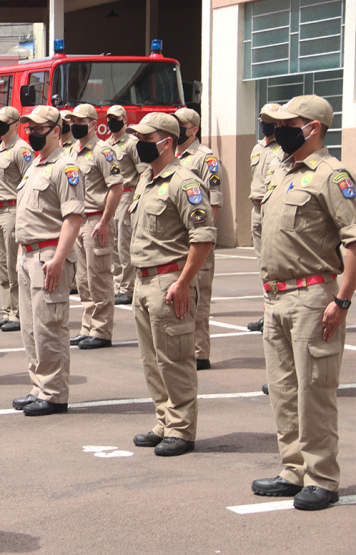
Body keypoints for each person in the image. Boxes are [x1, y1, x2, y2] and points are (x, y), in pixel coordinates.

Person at [250, 95, 354, 511]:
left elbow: (353, 240)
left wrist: (342, 300)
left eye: (288, 123)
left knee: (315, 391)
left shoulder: (333, 174)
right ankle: (293, 469)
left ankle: (322, 476)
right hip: (276, 297)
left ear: (312, 128)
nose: (278, 131)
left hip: (314, 297)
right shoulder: (282, 170)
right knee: (283, 389)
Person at [128, 112, 215, 457]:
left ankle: (181, 428)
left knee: (175, 360)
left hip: (169, 280)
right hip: (144, 280)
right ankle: (164, 419)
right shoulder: (146, 179)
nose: (140, 145)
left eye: (146, 139)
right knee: (152, 360)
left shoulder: (185, 182)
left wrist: (183, 282)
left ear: (166, 142)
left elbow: (203, 237)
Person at [12, 105, 84, 416]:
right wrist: (20, 254)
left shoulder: (65, 167)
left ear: (56, 131)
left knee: (49, 327)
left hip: (48, 256)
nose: (33, 133)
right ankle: (38, 385)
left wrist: (58, 259)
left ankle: (54, 393)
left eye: (40, 129)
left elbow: (73, 218)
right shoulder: (34, 166)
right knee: (30, 328)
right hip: (28, 255)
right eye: (30, 128)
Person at [174, 107, 227, 370]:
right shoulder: (173, 156)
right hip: (177, 242)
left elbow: (213, 203)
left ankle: (199, 353)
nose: (177, 128)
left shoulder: (205, 159)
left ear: (194, 128)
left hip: (197, 241)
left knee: (199, 299)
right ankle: (185, 351)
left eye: (181, 124)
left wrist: (202, 238)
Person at [68, 103, 123, 349]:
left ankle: (101, 330)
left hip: (95, 221)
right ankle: (88, 326)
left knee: (98, 276)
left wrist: (104, 221)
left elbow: (116, 186)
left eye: (79, 122)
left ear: (92, 124)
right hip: (78, 222)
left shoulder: (103, 151)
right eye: (72, 122)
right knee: (82, 278)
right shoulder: (71, 151)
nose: (74, 126)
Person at [0, 106, 33, 333]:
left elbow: (28, 186)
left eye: (4, 122)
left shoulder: (22, 150)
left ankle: (18, 313)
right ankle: (7, 311)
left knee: (15, 267)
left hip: (13, 211)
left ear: (16, 124)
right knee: (3, 266)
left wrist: (22, 216)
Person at [247, 103, 285, 333]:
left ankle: (275, 313)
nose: (264, 123)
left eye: (269, 119)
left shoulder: (285, 149)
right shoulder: (258, 148)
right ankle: (267, 311)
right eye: (262, 118)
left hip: (273, 212)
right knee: (263, 266)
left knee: (276, 265)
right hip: (257, 212)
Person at [105, 105, 147, 306]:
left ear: (124, 119)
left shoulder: (132, 143)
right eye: (109, 118)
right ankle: (116, 285)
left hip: (127, 195)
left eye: (116, 118)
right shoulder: (106, 145)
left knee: (124, 242)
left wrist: (137, 200)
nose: (112, 121)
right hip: (110, 197)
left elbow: (143, 173)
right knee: (112, 242)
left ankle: (127, 287)